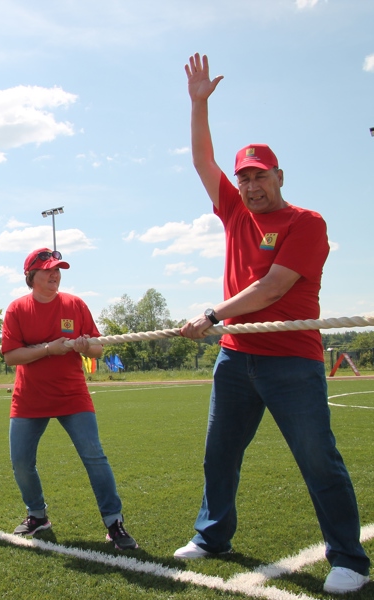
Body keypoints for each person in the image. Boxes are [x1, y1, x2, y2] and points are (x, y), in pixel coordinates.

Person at [175, 53, 369, 594]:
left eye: (260, 176)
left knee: (317, 458)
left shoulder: (306, 222)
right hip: (236, 358)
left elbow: (274, 287)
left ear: (280, 176)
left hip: (290, 359)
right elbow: (200, 160)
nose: (252, 185)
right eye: (245, 177)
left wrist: (213, 314)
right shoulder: (235, 213)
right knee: (220, 455)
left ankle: (349, 559)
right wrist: (197, 105)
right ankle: (213, 536)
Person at [1, 248, 138, 548]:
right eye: (48, 270)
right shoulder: (17, 309)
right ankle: (37, 515)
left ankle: (114, 522)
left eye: (58, 269)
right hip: (29, 398)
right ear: (31, 276)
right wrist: (50, 348)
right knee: (21, 462)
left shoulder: (76, 304)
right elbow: (11, 356)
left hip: (72, 395)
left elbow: (99, 349)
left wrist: (85, 346)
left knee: (94, 456)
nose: (55, 274)